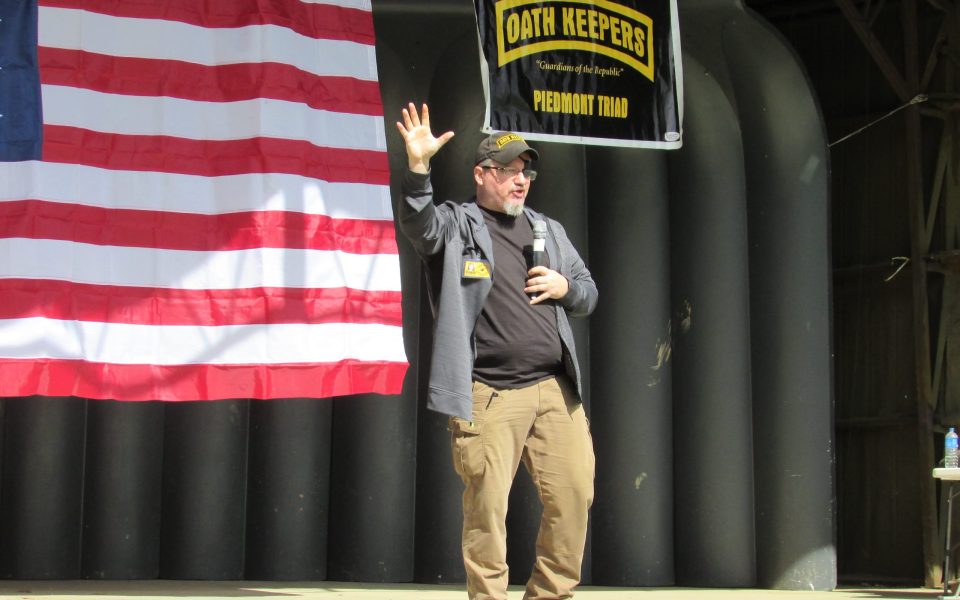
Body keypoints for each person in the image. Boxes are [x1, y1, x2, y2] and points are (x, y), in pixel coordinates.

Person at [396, 103, 598, 600]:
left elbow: (589, 292)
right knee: (486, 510)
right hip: (490, 393)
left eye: (525, 171)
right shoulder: (457, 224)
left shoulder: (548, 230)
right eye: (507, 170)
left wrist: (565, 287)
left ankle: (550, 594)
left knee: (574, 495)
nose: (519, 180)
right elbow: (420, 227)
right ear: (481, 174)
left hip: (554, 390)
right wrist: (418, 167)